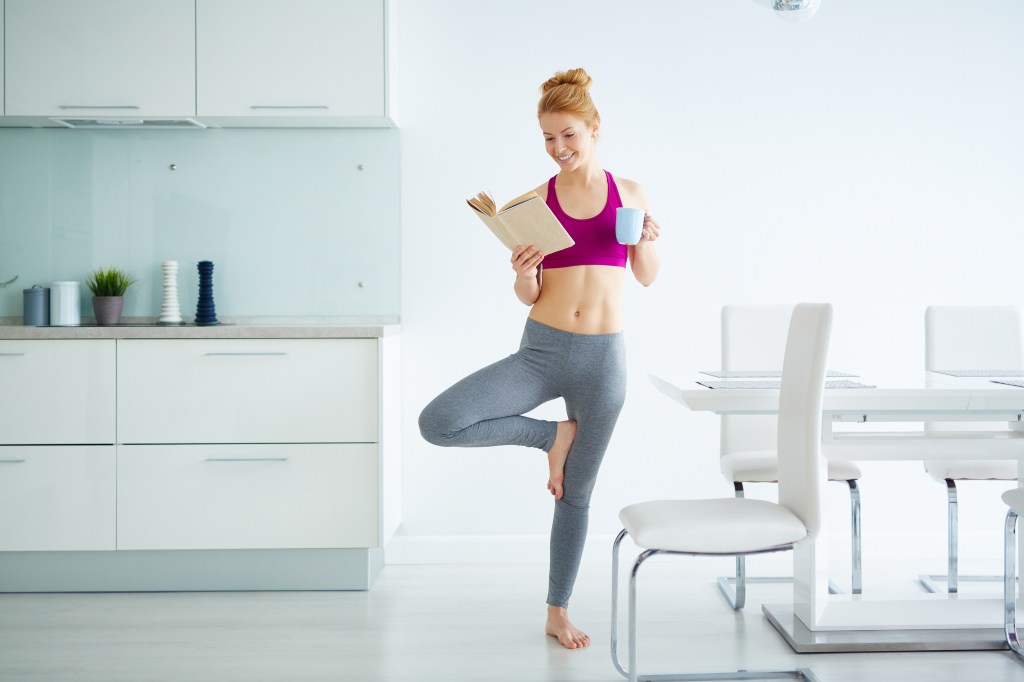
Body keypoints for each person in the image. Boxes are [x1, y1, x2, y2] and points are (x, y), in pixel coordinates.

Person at [418, 67, 661, 650]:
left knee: (576, 494)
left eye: (568, 135)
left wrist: (649, 242)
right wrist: (524, 273)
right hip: (542, 351)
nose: (559, 148)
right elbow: (530, 295)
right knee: (439, 422)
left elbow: (646, 277)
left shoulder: (630, 193)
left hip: (603, 360)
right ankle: (553, 437)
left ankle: (557, 610)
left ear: (594, 129)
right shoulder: (533, 202)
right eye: (548, 138)